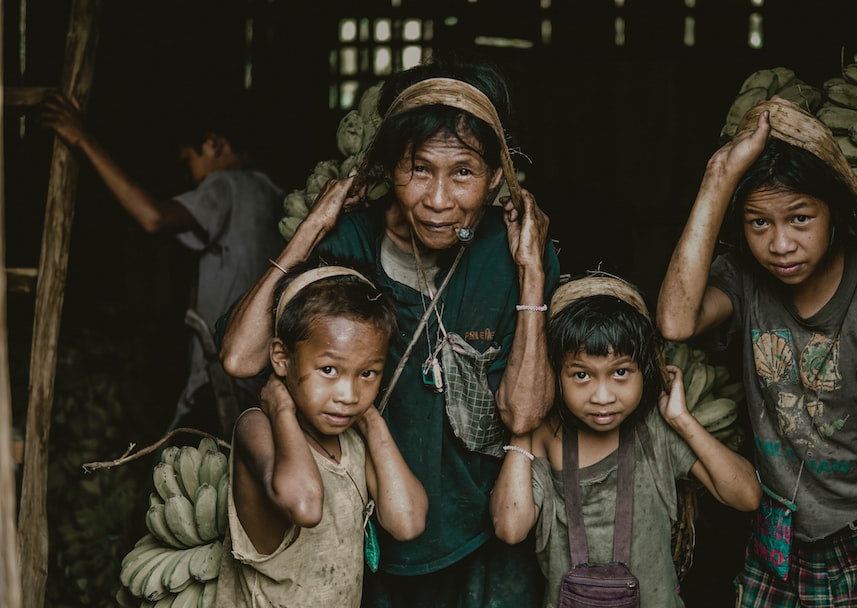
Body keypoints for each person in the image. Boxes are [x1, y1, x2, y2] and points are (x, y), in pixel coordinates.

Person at [218, 54, 561, 607]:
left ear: (497, 177)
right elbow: (240, 358)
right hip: (366, 536)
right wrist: (311, 229)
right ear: (388, 166)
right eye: (419, 169)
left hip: (484, 535)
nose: (440, 200)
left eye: (464, 173)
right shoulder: (348, 244)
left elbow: (522, 416)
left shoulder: (515, 254)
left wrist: (532, 278)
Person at [655, 97, 857, 606]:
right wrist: (717, 181)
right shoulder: (746, 281)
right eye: (758, 223)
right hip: (782, 535)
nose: (781, 245)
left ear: (833, 213)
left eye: (800, 218)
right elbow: (675, 321)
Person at [489, 273, 761, 608]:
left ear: (645, 371)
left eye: (620, 372)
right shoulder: (545, 437)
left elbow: (747, 497)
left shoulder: (656, 432)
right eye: (581, 375)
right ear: (555, 376)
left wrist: (682, 419)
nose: (603, 396)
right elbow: (510, 528)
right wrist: (524, 424)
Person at [40, 91, 285, 437]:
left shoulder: (225, 185)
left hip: (222, 384)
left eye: (189, 161)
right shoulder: (275, 195)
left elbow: (152, 217)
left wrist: (84, 139)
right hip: (261, 383)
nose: (193, 179)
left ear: (214, 144)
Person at [216, 259, 427, 606]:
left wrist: (371, 419)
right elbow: (305, 505)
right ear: (282, 358)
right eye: (329, 369)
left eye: (368, 373)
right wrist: (281, 408)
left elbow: (407, 522)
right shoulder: (257, 427)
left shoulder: (355, 440)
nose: (348, 394)